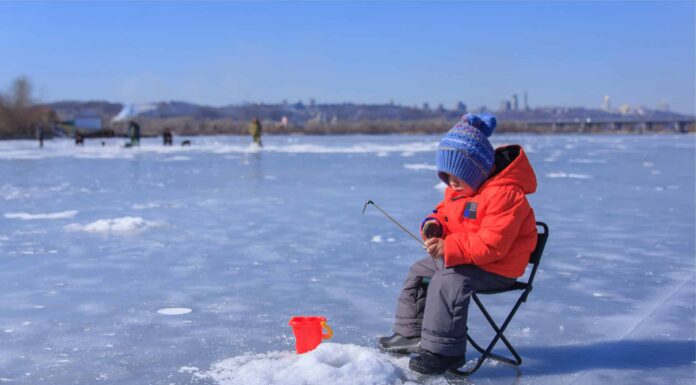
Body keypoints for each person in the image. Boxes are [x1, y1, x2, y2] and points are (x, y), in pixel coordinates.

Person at [378, 113, 538, 375]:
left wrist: (448, 248)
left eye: (457, 175)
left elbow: (492, 246)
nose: (450, 181)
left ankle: (445, 352)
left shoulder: (505, 195)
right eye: (446, 174)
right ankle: (412, 334)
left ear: (476, 171)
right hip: (467, 258)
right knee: (421, 271)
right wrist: (434, 226)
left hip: (498, 268)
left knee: (448, 280)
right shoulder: (460, 190)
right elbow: (442, 214)